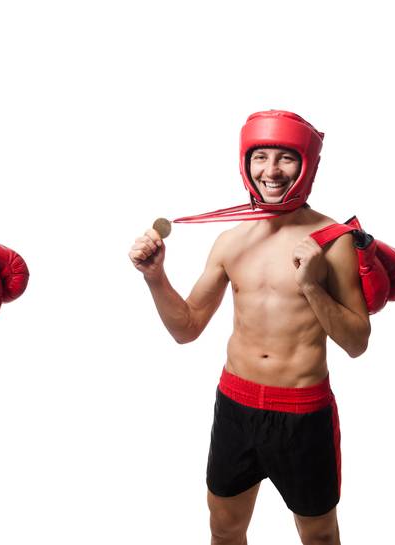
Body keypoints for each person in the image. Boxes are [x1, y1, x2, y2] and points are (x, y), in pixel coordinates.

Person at [129, 110, 368, 545]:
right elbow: (186, 328)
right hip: (236, 406)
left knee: (318, 536)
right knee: (224, 529)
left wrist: (313, 287)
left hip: (301, 412)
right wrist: (155, 276)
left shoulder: (334, 241)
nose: (271, 171)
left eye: (286, 158)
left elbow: (357, 342)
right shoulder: (231, 241)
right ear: (246, 162)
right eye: (261, 157)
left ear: (307, 165)